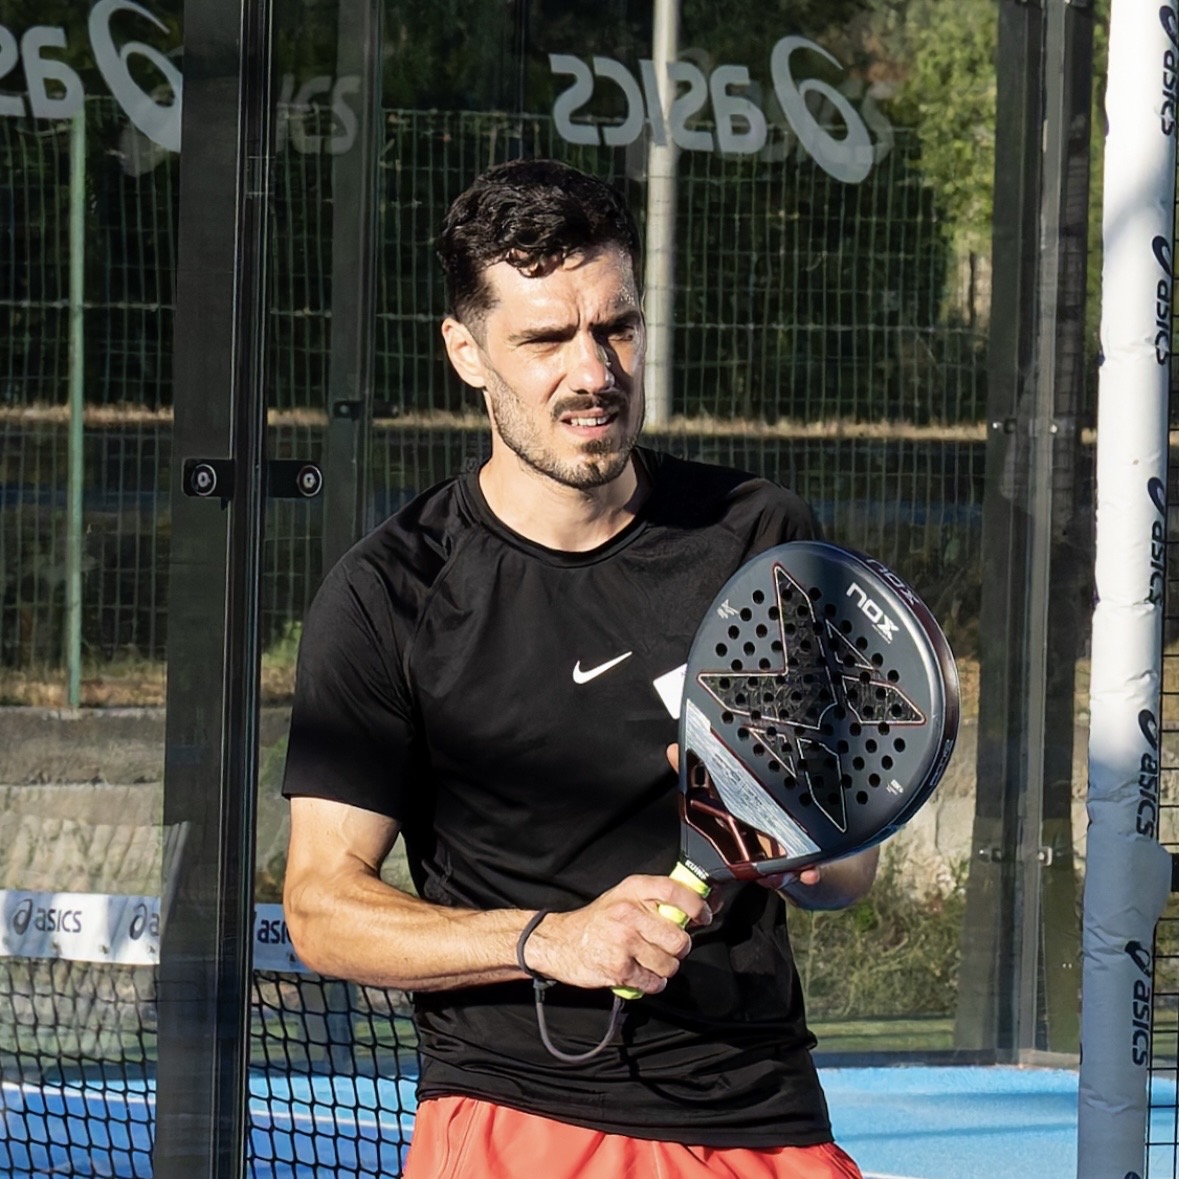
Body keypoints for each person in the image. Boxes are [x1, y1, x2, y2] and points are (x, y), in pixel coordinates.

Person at [282, 158, 877, 1179]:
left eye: (617, 327)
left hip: (764, 1111)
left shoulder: (755, 537)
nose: (594, 371)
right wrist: (547, 939)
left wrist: (795, 842)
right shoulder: (392, 592)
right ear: (467, 352)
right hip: (519, 1116)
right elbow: (321, 908)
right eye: (546, 339)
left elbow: (844, 871)